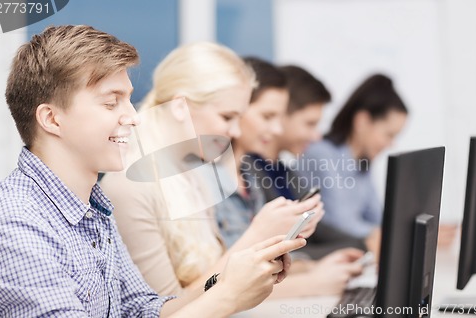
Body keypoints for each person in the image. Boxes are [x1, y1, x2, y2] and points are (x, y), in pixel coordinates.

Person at [0, 25, 307, 317]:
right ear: (52, 119)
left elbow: (143, 309)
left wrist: (231, 280)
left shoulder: (94, 209)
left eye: (128, 101)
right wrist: (228, 296)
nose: (133, 116)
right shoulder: (14, 224)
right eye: (111, 103)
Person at [100, 42, 322, 299]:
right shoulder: (131, 187)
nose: (236, 132)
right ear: (180, 107)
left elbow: (211, 280)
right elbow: (164, 310)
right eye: (227, 117)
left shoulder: (194, 175)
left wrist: (273, 240)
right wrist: (257, 235)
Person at [215, 57, 364, 298]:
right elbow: (221, 279)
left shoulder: (257, 179)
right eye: (268, 116)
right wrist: (308, 274)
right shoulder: (225, 178)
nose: (276, 129)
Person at [249, 64, 380, 259]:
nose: (316, 136)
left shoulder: (287, 173)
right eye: (310, 124)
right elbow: (284, 250)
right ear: (282, 114)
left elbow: (318, 230)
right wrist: (361, 248)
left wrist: (365, 243)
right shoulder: (249, 173)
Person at [299, 74, 408, 238]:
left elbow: (377, 218)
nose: (391, 144)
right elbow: (340, 222)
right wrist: (394, 234)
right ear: (362, 121)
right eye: (389, 134)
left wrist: (409, 230)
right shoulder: (321, 154)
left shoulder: (363, 163)